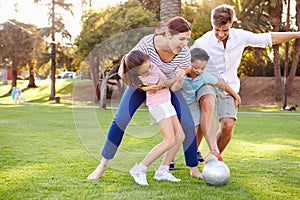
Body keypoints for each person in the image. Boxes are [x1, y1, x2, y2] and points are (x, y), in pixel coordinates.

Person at [88, 16, 202, 180]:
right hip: (140, 85)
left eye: (187, 39)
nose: (185, 44)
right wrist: (145, 88)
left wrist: (179, 78)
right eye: (182, 39)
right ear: (169, 35)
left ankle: (193, 168)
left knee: (188, 124)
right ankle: (102, 165)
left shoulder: (183, 53)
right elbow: (124, 71)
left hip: (166, 85)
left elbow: (183, 71)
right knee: (121, 119)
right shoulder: (147, 44)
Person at [190, 4, 300, 155]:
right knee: (205, 113)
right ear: (212, 25)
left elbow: (269, 38)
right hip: (208, 84)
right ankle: (192, 155)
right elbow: (185, 63)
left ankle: (213, 158)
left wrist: (297, 34)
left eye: (225, 30)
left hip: (229, 86)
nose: (221, 34)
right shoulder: (202, 43)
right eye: (217, 30)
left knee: (228, 126)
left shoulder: (239, 36)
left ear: (231, 24)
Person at [121, 50, 185, 186]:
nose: (149, 72)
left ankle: (163, 170)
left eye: (149, 67)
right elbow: (167, 84)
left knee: (180, 136)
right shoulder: (148, 78)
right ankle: (139, 169)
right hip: (158, 105)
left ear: (149, 59)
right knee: (169, 140)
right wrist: (179, 76)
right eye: (143, 73)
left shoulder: (150, 62)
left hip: (166, 102)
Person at [182, 48, 241, 163]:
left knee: (195, 128)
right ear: (188, 63)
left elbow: (221, 84)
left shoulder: (204, 77)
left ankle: (195, 153)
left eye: (202, 68)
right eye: (195, 67)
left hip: (192, 105)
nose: (198, 71)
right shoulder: (181, 74)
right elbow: (170, 85)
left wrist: (236, 95)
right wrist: (179, 94)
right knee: (176, 132)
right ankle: (171, 159)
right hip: (179, 105)